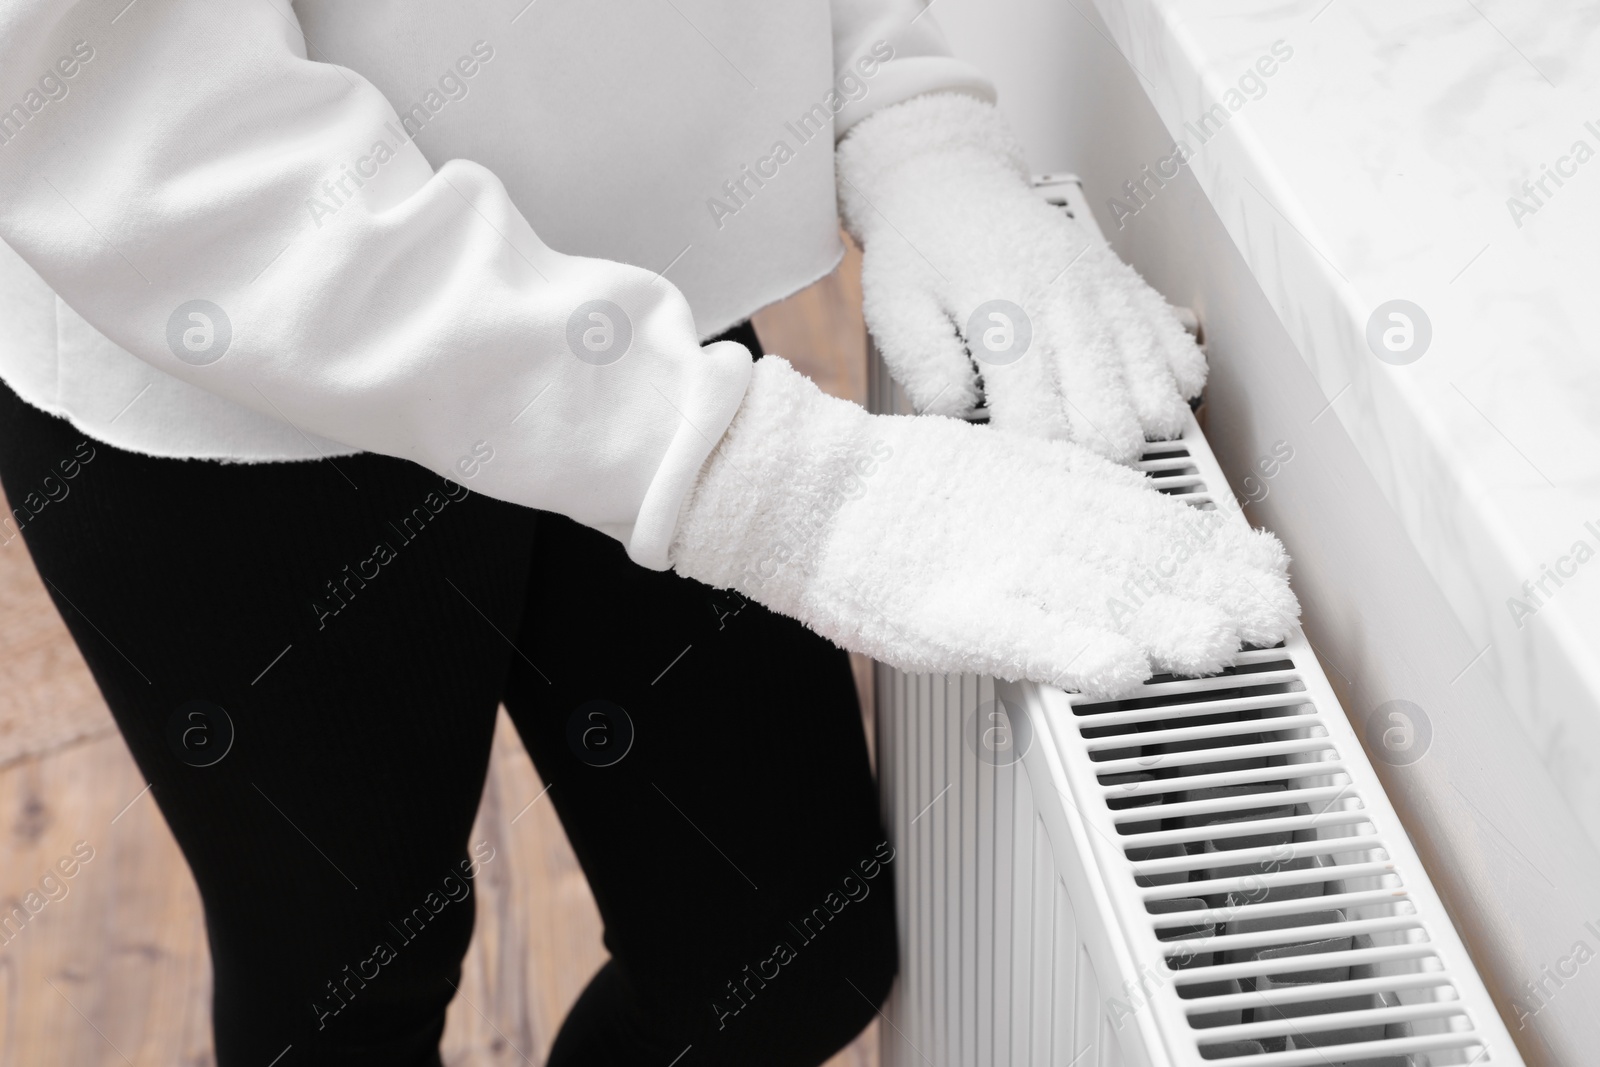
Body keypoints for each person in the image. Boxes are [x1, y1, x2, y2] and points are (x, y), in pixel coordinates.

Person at [0, 2, 1296, 1064]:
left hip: (637, 309)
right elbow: (123, 116)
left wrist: (911, 121)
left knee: (788, 950)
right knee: (349, 995)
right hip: (249, 410)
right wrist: (767, 484)